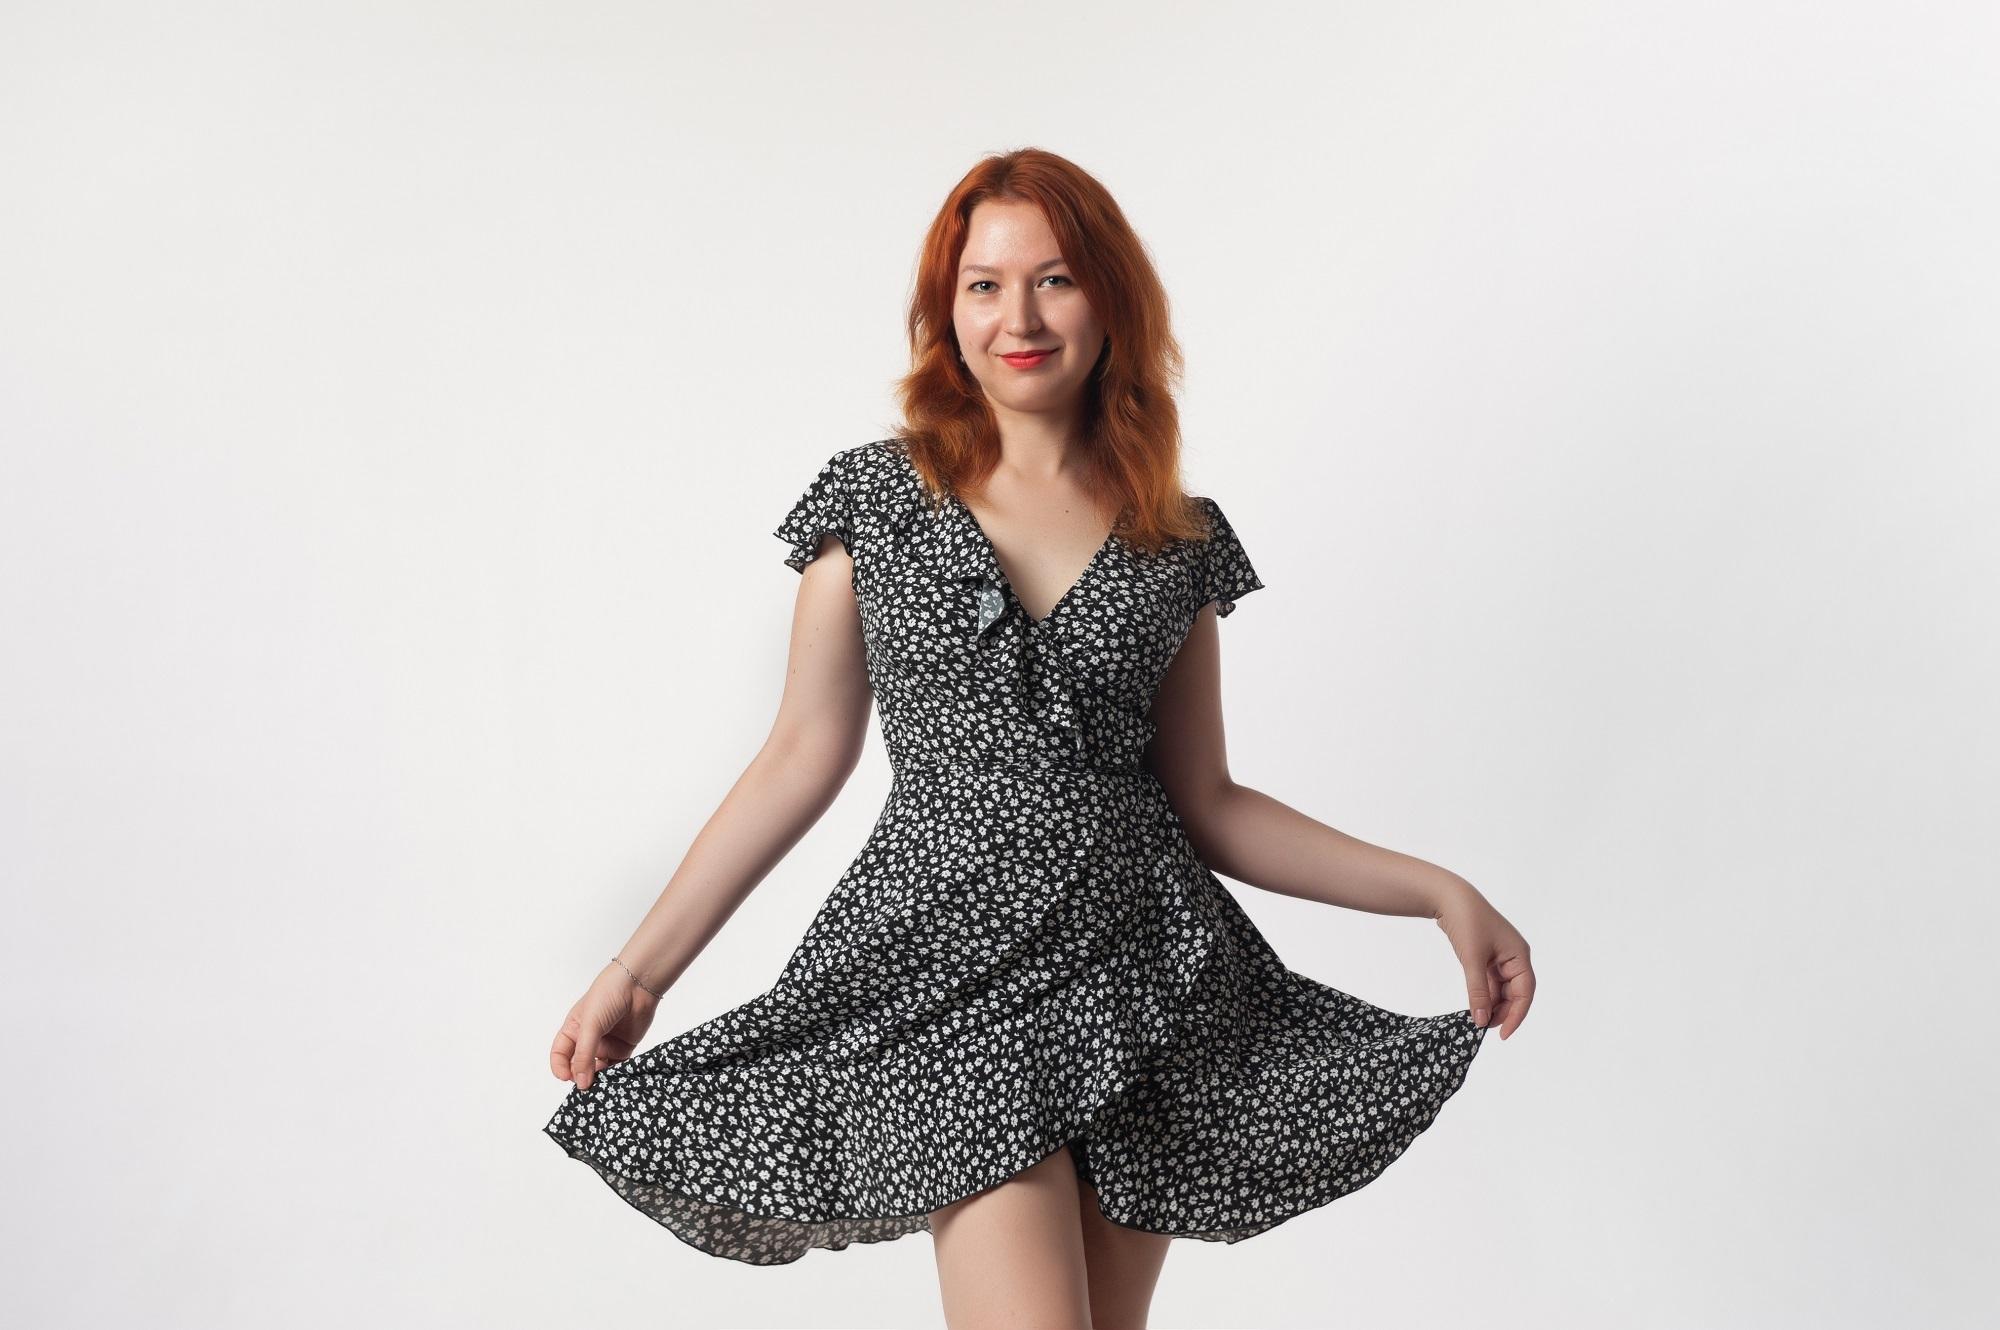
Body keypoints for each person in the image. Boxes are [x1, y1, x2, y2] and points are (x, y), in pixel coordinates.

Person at [544, 147, 1535, 1330]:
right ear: (947, 312)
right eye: (983, 285)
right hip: (947, 979)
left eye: (1053, 280)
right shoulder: (875, 500)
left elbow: (1210, 802)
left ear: (1110, 301)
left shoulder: (1172, 536)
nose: (1016, 319)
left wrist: (1436, 892)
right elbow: (799, 757)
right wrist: (637, 974)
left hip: (1140, 982)